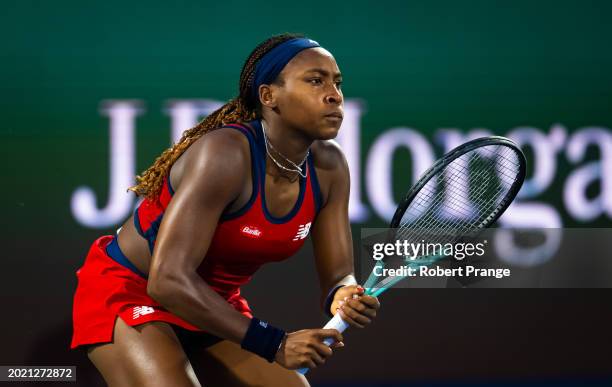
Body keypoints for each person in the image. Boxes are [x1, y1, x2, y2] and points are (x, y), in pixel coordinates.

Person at [71, 33, 380, 387]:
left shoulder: (331, 167)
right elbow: (167, 280)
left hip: (209, 304)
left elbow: (338, 274)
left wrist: (343, 293)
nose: (334, 95)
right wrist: (275, 343)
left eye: (337, 83)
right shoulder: (225, 154)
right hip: (131, 290)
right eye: (315, 80)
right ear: (269, 96)